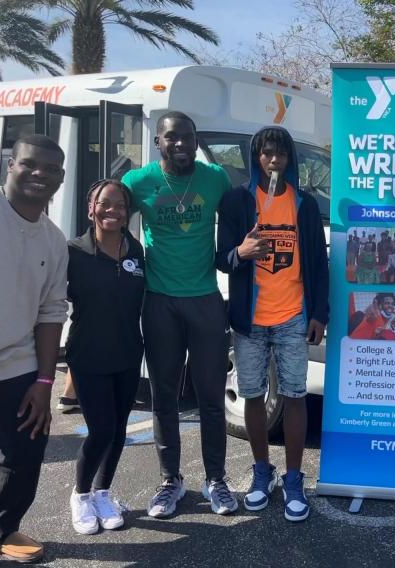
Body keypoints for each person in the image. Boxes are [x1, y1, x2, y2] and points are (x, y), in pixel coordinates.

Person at [121, 111, 236, 518]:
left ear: (196, 140)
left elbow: (239, 220)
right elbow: (109, 219)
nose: (182, 144)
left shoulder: (215, 178)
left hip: (205, 300)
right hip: (159, 302)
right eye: (172, 137)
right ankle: (170, 480)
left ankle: (216, 479)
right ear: (159, 142)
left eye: (188, 137)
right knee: (164, 398)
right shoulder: (137, 182)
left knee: (211, 399)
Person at [217, 126, 329, 522]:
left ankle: (294, 478)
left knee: (295, 395)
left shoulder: (304, 204)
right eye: (267, 153)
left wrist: (319, 314)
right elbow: (222, 258)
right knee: (253, 395)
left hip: (293, 316)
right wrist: (241, 252)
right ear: (256, 157)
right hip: (249, 320)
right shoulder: (237, 200)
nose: (274, 160)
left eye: (280, 153)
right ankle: (262, 472)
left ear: (289, 159)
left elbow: (318, 264)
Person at [0, 135, 68, 563]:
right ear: (10, 165)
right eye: (30, 164)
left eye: (50, 169)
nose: (39, 173)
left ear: (61, 178)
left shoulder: (54, 239)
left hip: (14, 361)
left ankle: (0, 530)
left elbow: (51, 312)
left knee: (26, 447)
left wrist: (45, 381)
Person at [65, 179, 145, 534]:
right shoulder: (73, 252)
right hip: (88, 355)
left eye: (120, 205)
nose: (112, 210)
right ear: (91, 209)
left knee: (119, 429)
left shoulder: (135, 251)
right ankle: (81, 494)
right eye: (104, 204)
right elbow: (50, 301)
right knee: (101, 430)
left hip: (128, 353)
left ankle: (102, 493)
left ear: (128, 213)